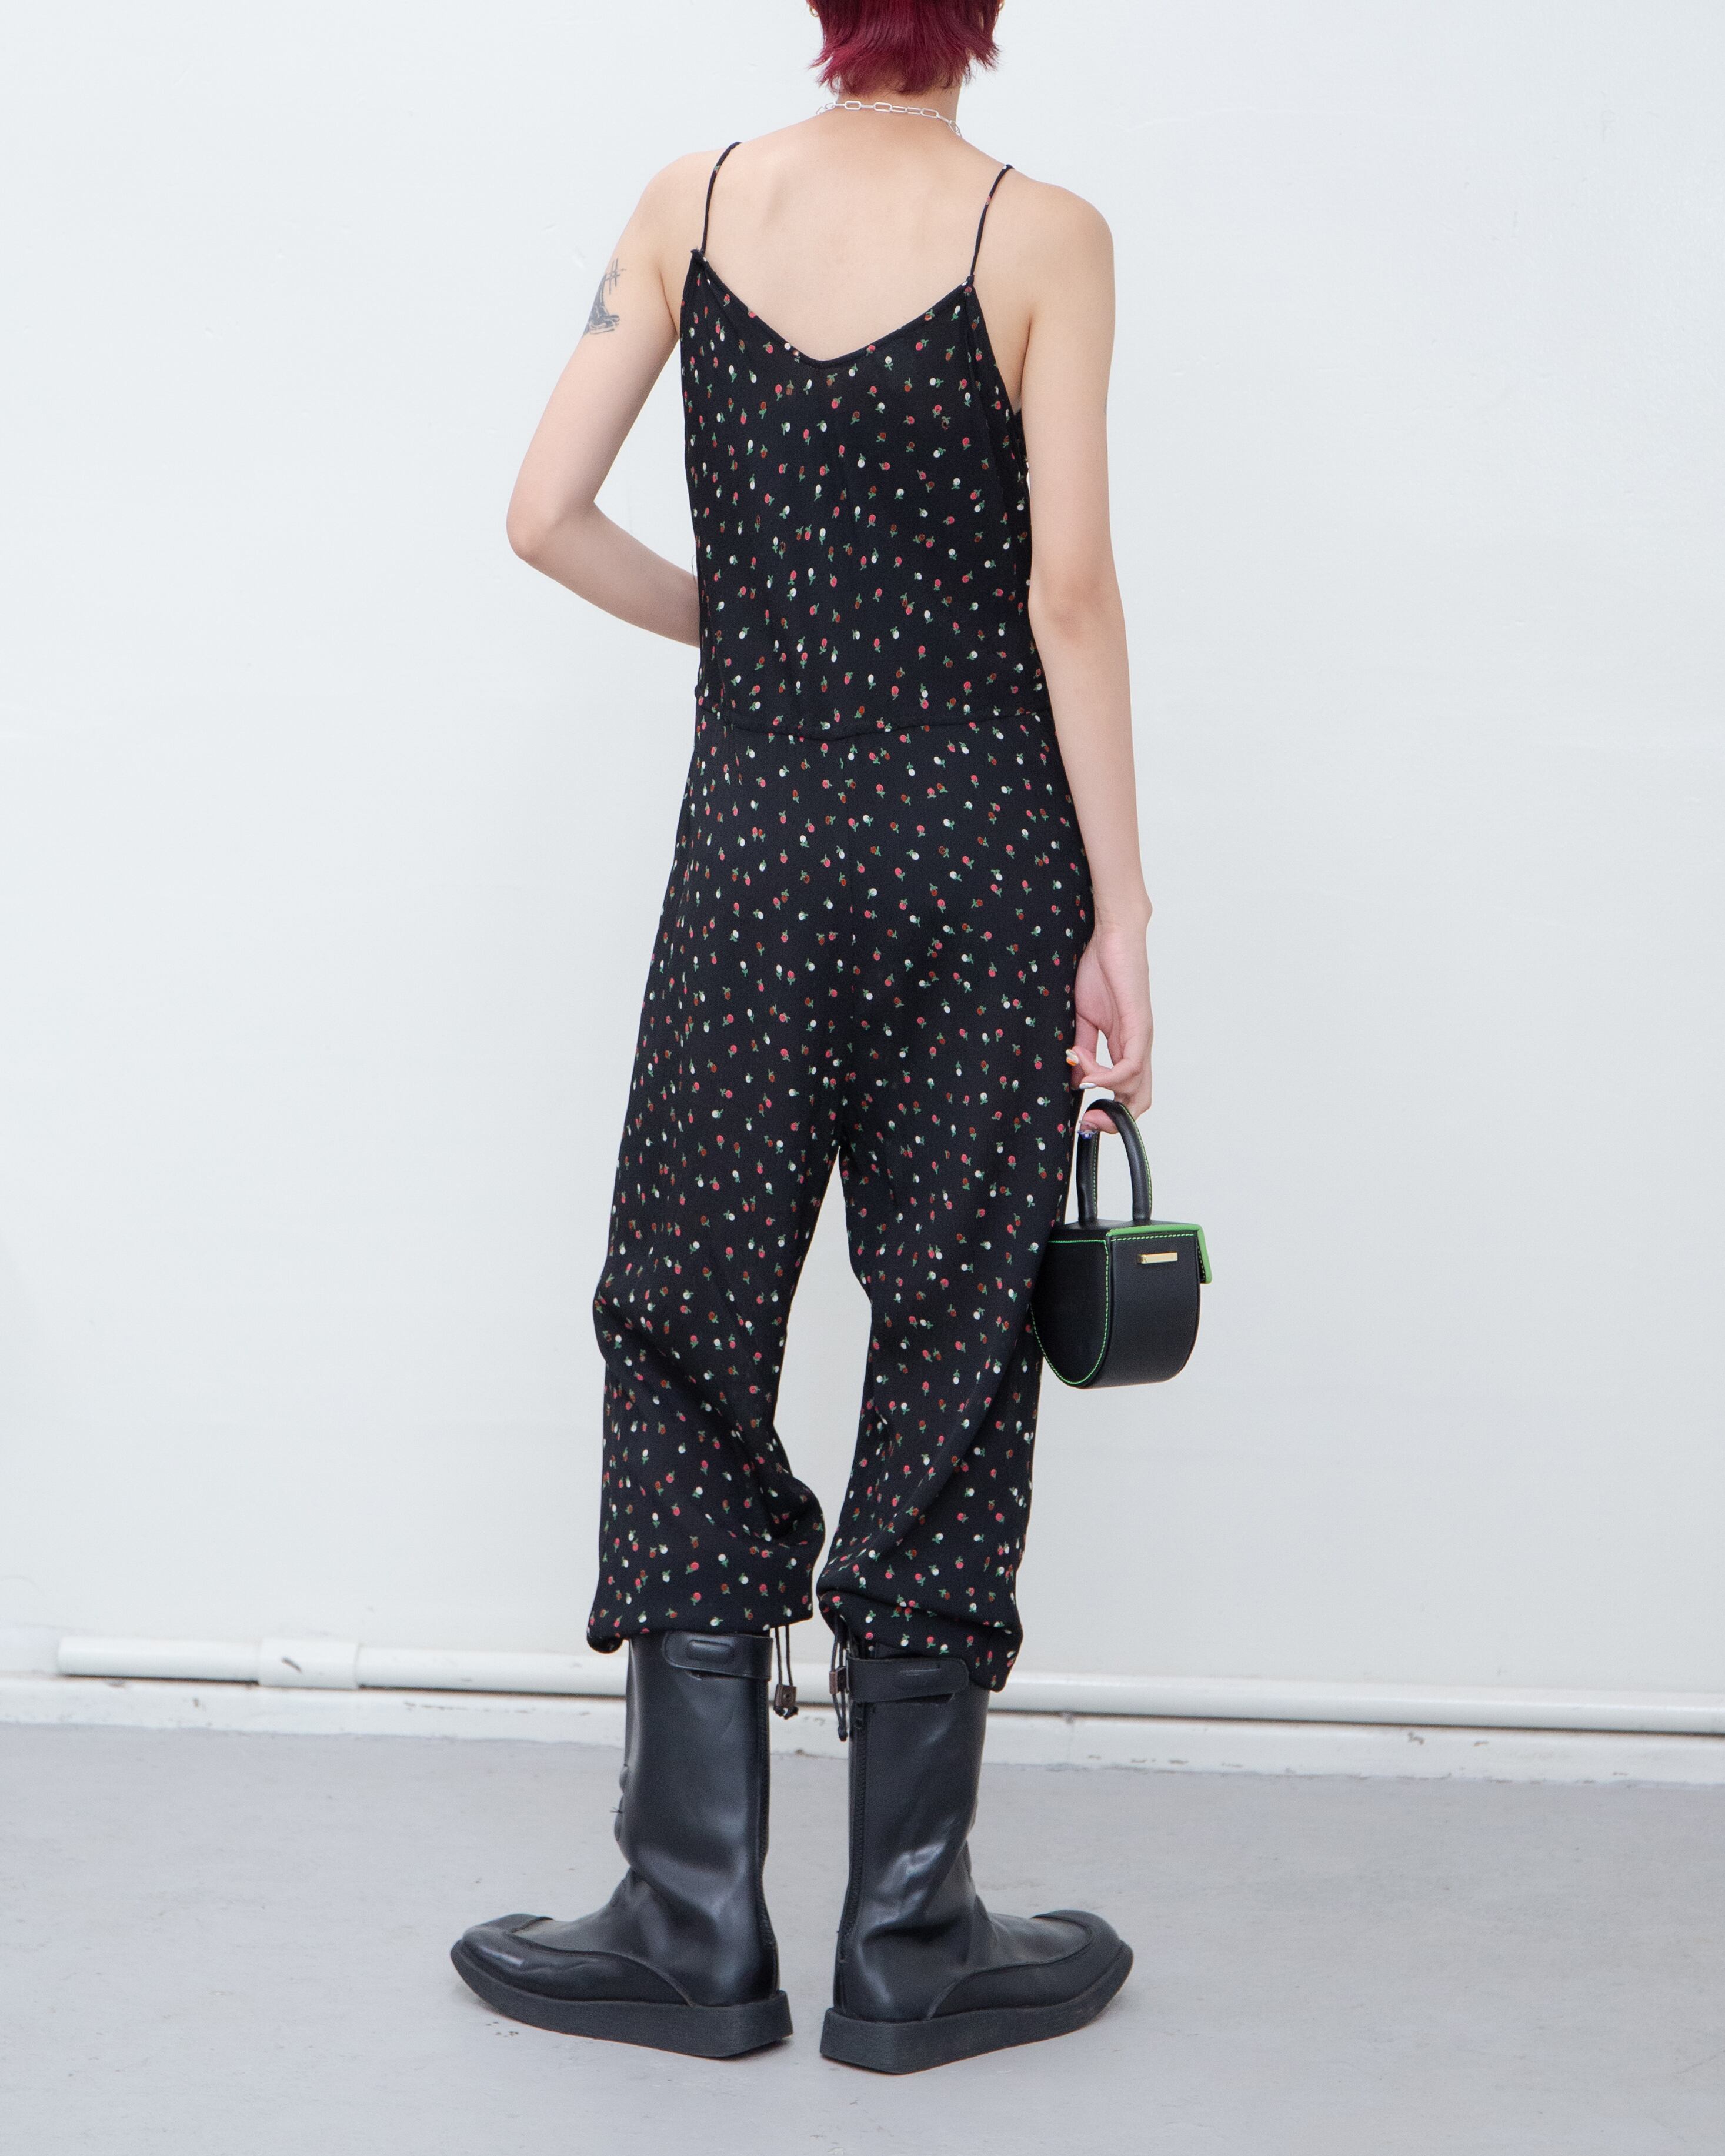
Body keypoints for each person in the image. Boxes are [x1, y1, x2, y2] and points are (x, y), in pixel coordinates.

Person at [450, 0, 1153, 2073]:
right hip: (979, 857)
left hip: (757, 847)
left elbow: (542, 514)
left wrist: (749, 615)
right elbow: (1071, 595)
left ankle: (690, 1916)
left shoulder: (692, 203)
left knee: (685, 1312)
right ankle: (910, 1937)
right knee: (954, 1330)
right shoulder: (1047, 232)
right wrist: (1123, 911)